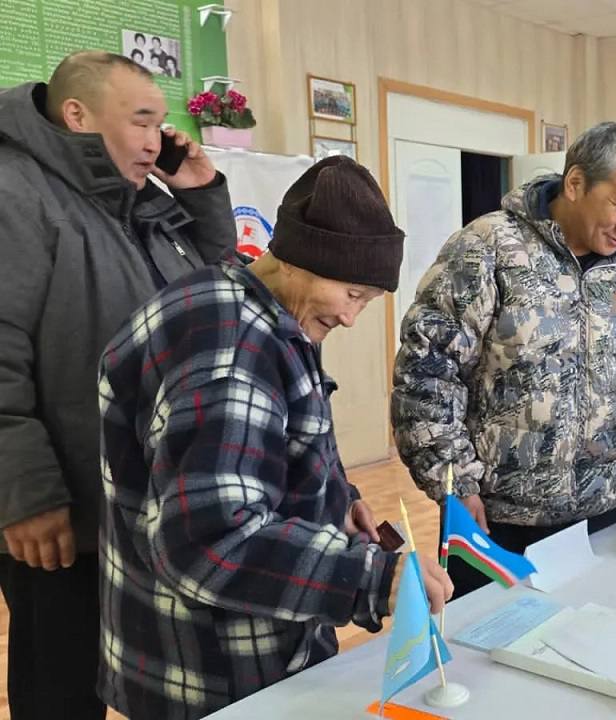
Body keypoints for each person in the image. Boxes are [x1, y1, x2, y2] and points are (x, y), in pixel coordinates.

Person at [97, 156, 454, 718]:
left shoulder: (242, 300)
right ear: (298, 259)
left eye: (366, 301)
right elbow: (210, 543)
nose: (352, 318)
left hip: (218, 647)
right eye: (352, 294)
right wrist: (371, 578)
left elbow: (274, 443)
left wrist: (337, 499)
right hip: (215, 672)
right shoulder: (232, 355)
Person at [0, 51, 234, 720]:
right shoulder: (15, 192)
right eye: (141, 121)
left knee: (133, 674)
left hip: (142, 499)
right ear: (77, 114)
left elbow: (216, 294)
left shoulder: (141, 202)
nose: (155, 140)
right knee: (61, 687)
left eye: (161, 124)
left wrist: (201, 192)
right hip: (62, 511)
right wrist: (26, 492)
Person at [393, 122, 616, 597]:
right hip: (496, 522)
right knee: (491, 641)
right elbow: (427, 373)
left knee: (595, 633)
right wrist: (455, 484)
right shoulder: (488, 249)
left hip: (603, 515)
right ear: (575, 184)